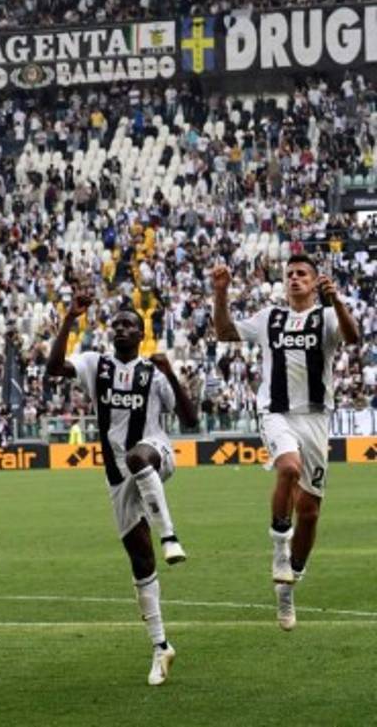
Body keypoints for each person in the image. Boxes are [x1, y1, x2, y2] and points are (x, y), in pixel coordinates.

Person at [46, 293, 197, 686]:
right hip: (117, 476)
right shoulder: (97, 364)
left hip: (155, 452)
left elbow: (191, 419)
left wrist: (172, 372)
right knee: (141, 563)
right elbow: (53, 367)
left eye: (129, 324)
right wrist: (69, 319)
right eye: (116, 324)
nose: (121, 329)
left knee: (137, 457)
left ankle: (171, 535)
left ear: (142, 333)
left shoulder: (153, 372)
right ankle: (161, 647)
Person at [212, 256, 360, 630]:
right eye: (289, 274)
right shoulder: (269, 318)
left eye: (302, 274)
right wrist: (220, 291)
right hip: (275, 412)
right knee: (288, 468)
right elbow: (225, 331)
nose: (294, 279)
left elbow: (353, 337)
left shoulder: (326, 317)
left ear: (314, 282)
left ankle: (289, 585)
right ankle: (279, 550)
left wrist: (337, 300)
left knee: (309, 512)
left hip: (314, 417)